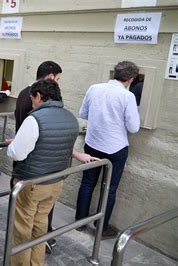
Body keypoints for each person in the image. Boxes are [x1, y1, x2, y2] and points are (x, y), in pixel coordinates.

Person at [7, 80, 79, 266]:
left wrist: (12, 145)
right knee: (40, 227)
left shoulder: (35, 119)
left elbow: (17, 153)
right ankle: (35, 263)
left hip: (31, 184)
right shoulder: (70, 117)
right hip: (55, 182)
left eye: (32, 98)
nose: (32, 103)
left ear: (39, 96)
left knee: (23, 229)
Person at [75, 61, 140, 238]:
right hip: (115, 148)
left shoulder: (94, 88)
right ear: (130, 79)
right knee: (109, 188)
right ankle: (101, 227)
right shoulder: (128, 97)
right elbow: (133, 127)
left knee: (87, 183)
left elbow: (83, 114)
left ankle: (79, 222)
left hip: (92, 143)